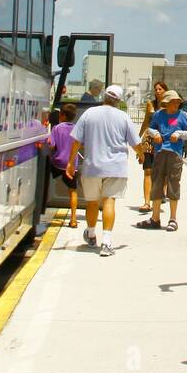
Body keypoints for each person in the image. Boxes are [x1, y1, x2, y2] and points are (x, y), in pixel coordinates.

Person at [65, 84, 139, 257]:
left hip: (92, 166)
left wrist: (70, 162)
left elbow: (76, 140)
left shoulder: (89, 113)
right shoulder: (123, 117)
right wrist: (141, 155)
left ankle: (91, 235)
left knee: (92, 202)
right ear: (118, 100)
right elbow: (135, 143)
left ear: (104, 96)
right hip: (116, 167)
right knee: (109, 201)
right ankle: (106, 242)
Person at [138, 89, 187, 231]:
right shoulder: (158, 115)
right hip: (160, 151)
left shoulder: (183, 115)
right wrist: (155, 133)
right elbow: (150, 129)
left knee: (174, 184)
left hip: (175, 153)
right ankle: (155, 218)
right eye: (173, 102)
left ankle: (173, 218)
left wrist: (179, 134)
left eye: (177, 102)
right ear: (166, 103)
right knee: (157, 183)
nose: (175, 105)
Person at [43, 105, 79, 228]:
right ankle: (73, 219)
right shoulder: (77, 129)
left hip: (57, 163)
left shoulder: (56, 128)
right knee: (73, 191)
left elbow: (51, 145)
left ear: (62, 115)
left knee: (44, 179)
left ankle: (43, 203)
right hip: (71, 165)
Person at [136, 81, 169, 211]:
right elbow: (146, 121)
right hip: (149, 140)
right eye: (156, 89)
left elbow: (173, 121)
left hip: (164, 140)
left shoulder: (170, 105)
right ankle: (147, 202)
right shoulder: (151, 104)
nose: (158, 91)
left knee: (162, 172)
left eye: (160, 89)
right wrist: (137, 138)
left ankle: (160, 193)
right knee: (148, 170)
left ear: (166, 91)